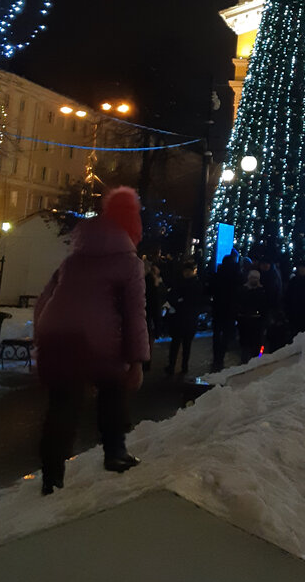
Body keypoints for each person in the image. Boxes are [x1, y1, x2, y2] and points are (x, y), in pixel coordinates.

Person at [34, 186, 149, 495]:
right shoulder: (129, 263)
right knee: (113, 386)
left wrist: (40, 337)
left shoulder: (73, 260)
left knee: (61, 404)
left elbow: (44, 300)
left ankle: (51, 477)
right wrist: (137, 361)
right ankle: (115, 452)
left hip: (56, 334)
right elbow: (135, 314)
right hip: (97, 340)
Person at [165, 261, 205, 376]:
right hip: (187, 318)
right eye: (185, 271)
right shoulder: (195, 284)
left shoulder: (186, 284)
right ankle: (180, 366)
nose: (186, 273)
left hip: (183, 317)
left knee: (180, 343)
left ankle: (178, 366)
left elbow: (176, 298)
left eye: (188, 271)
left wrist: (178, 302)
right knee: (182, 343)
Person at [208, 252, 240, 371]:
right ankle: (220, 358)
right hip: (230, 309)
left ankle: (216, 357)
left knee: (217, 334)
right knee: (226, 334)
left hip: (218, 308)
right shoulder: (236, 275)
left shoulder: (218, 275)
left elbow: (210, 289)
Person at [236, 269, 269, 363]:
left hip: (256, 321)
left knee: (257, 344)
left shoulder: (262, 291)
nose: (254, 280)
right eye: (252, 278)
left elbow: (264, 307)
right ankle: (245, 362)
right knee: (245, 344)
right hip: (245, 320)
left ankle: (257, 360)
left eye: (256, 278)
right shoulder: (243, 290)